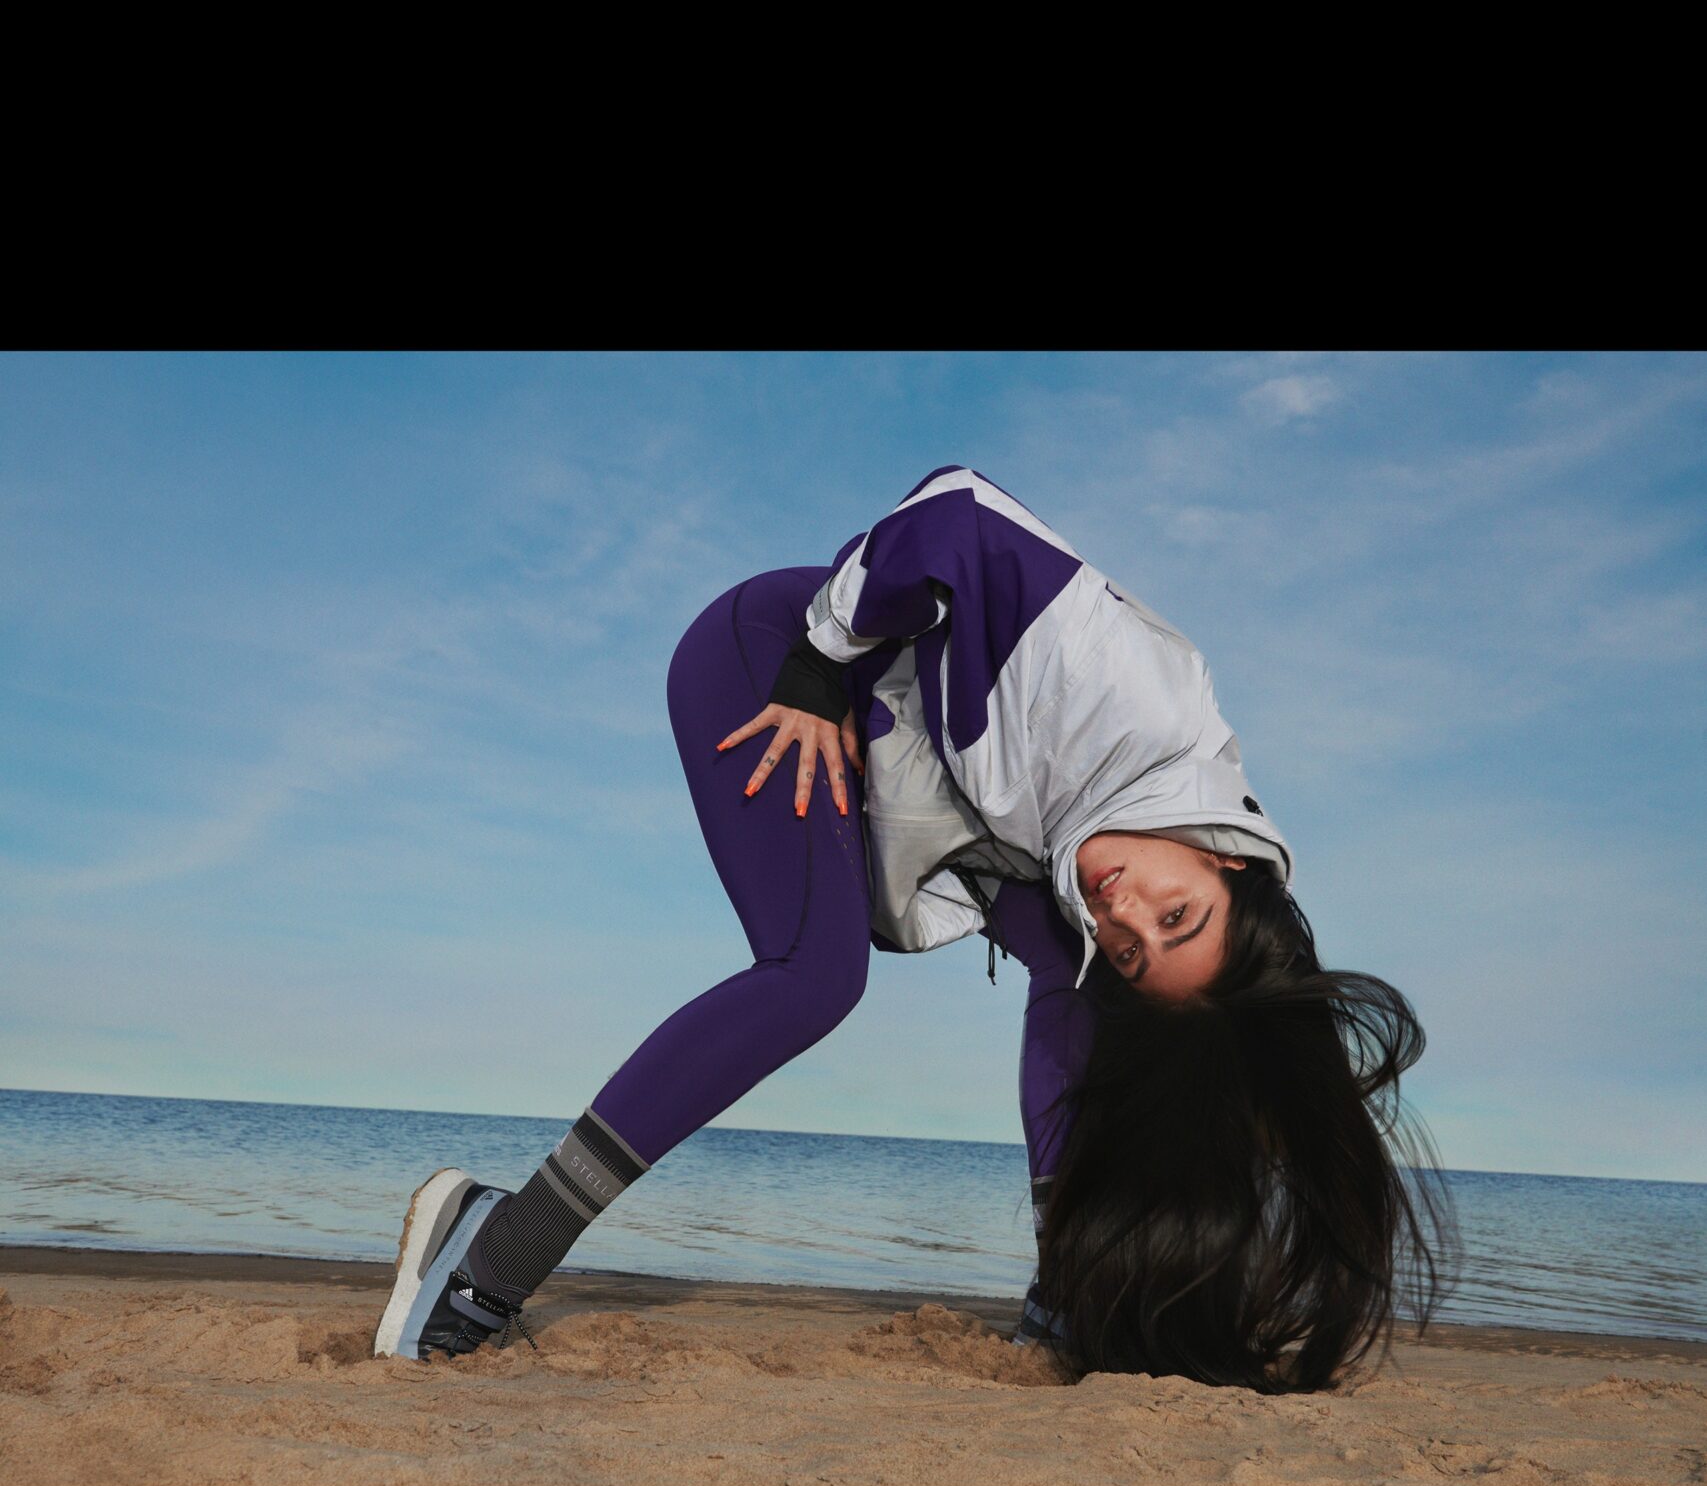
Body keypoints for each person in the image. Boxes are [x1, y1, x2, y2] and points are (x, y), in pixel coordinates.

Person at [372, 466, 1450, 1389]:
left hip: (907, 766)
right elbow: (958, 510)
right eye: (1175, 913)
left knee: (1084, 979)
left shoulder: (1129, 845)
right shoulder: (1126, 696)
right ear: (1223, 857)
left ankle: (1070, 1284)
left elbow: (1127, 966)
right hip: (780, 671)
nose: (1126, 910)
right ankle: (493, 1244)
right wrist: (812, 668)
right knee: (812, 975)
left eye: (1143, 940)